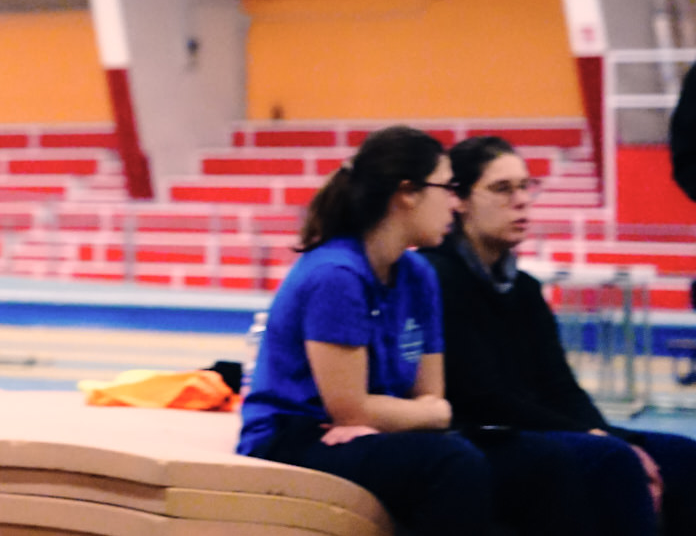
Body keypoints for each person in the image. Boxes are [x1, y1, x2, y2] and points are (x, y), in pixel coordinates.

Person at [424, 134, 696, 535]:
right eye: (502, 188)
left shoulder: (524, 288)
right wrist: (598, 440)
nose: (521, 200)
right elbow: (484, 398)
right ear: (458, 199)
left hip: (540, 428)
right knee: (612, 460)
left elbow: (561, 385)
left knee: (683, 455)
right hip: (482, 435)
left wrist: (605, 433)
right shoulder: (437, 277)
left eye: (525, 186)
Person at [237, 125, 491, 536]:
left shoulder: (419, 276)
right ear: (407, 193)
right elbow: (353, 411)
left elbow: (432, 398)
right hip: (295, 435)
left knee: (503, 459)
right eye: (447, 188)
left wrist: (419, 413)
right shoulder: (336, 275)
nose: (455, 203)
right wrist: (426, 413)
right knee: (452, 465)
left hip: (363, 433)